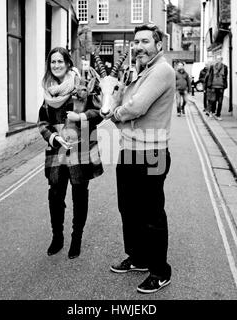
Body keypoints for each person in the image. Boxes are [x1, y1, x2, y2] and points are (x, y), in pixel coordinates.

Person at [104, 23, 175, 294]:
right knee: (129, 208)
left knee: (151, 213)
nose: (138, 47)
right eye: (135, 42)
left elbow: (136, 106)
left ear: (159, 45)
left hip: (152, 153)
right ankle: (138, 257)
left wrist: (113, 114)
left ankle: (160, 271)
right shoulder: (142, 70)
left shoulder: (162, 71)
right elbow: (122, 97)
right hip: (130, 150)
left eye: (145, 41)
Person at [37, 47, 104, 259]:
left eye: (60, 61)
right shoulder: (49, 91)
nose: (56, 65)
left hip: (80, 150)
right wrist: (52, 137)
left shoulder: (81, 87)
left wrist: (79, 117)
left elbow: (99, 113)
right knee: (55, 196)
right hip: (57, 152)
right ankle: (58, 237)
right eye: (52, 62)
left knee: (79, 195)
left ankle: (77, 238)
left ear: (67, 63)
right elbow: (42, 123)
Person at [206, 57, 228, 121]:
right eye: (217, 59)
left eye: (220, 59)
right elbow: (210, 76)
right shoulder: (212, 67)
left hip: (221, 87)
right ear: (216, 60)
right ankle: (213, 112)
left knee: (220, 102)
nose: (218, 60)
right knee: (213, 101)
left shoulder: (225, 67)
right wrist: (209, 85)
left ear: (222, 60)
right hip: (213, 86)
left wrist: (225, 85)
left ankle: (218, 115)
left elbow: (225, 77)